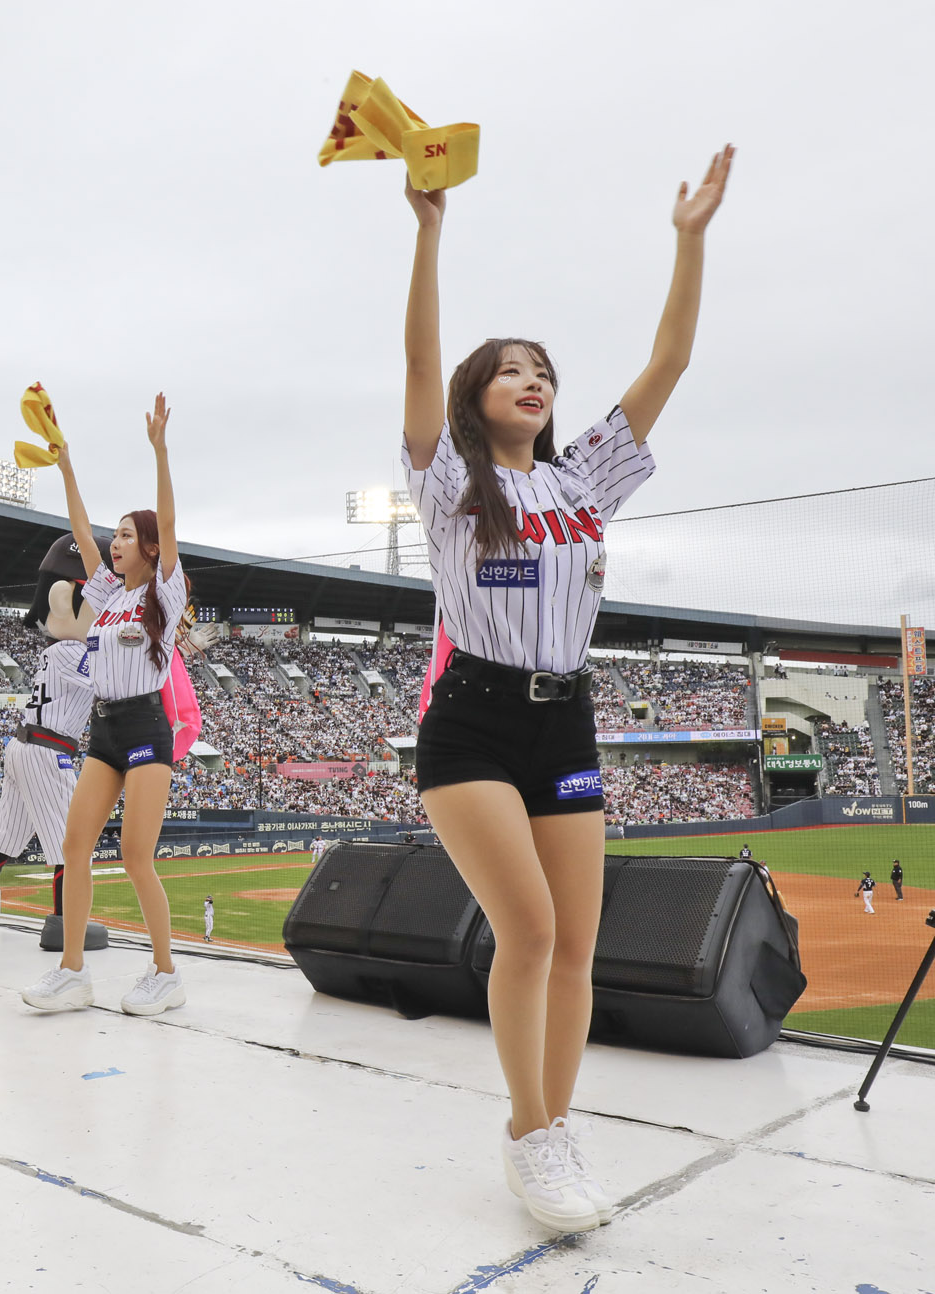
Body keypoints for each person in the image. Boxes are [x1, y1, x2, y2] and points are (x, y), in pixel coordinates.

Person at [398, 144, 733, 1233]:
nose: (531, 380)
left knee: (577, 947)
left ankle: (554, 1128)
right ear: (475, 397)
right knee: (528, 932)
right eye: (507, 369)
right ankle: (527, 1136)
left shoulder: (580, 478)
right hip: (473, 723)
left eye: (540, 368)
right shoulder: (451, 479)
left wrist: (687, 242)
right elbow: (415, 371)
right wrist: (427, 234)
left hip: (567, 712)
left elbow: (670, 361)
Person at [23, 394, 190, 1017]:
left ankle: (166, 973)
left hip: (148, 725)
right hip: (105, 731)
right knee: (74, 846)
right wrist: (65, 467)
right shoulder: (106, 594)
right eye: (113, 535)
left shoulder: (163, 596)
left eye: (125, 535)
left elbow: (170, 527)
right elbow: (77, 530)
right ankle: (73, 974)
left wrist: (160, 452)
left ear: (148, 547)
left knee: (136, 856)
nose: (112, 543)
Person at [0, 534, 98, 949]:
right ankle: (63, 924)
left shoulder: (53, 650)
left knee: (7, 830)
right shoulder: (74, 652)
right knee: (72, 840)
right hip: (48, 751)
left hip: (22, 746)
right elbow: (114, 676)